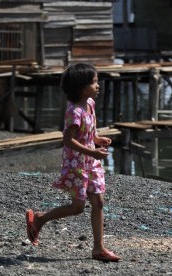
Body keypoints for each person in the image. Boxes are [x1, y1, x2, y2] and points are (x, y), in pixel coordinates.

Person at [25, 63, 120, 262]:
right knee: (77, 207)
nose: (98, 85)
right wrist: (91, 151)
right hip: (77, 163)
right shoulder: (74, 112)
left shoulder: (90, 104)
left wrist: (97, 139)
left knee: (98, 201)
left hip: (90, 161)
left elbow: (88, 133)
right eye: (94, 82)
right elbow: (68, 140)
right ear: (81, 87)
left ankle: (98, 248)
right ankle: (39, 219)